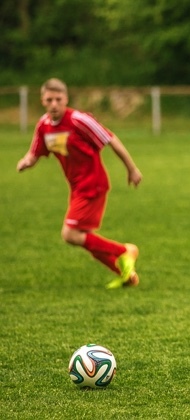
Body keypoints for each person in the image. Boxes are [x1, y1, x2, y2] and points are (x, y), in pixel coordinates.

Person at [16, 78, 143, 289]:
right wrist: (26, 162)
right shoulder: (44, 126)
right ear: (43, 101)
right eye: (49, 100)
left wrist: (132, 169)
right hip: (76, 188)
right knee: (83, 236)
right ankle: (126, 275)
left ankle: (124, 251)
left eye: (58, 99)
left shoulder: (78, 120)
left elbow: (111, 139)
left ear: (66, 99)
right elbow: (34, 153)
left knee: (71, 235)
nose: (54, 104)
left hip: (93, 184)